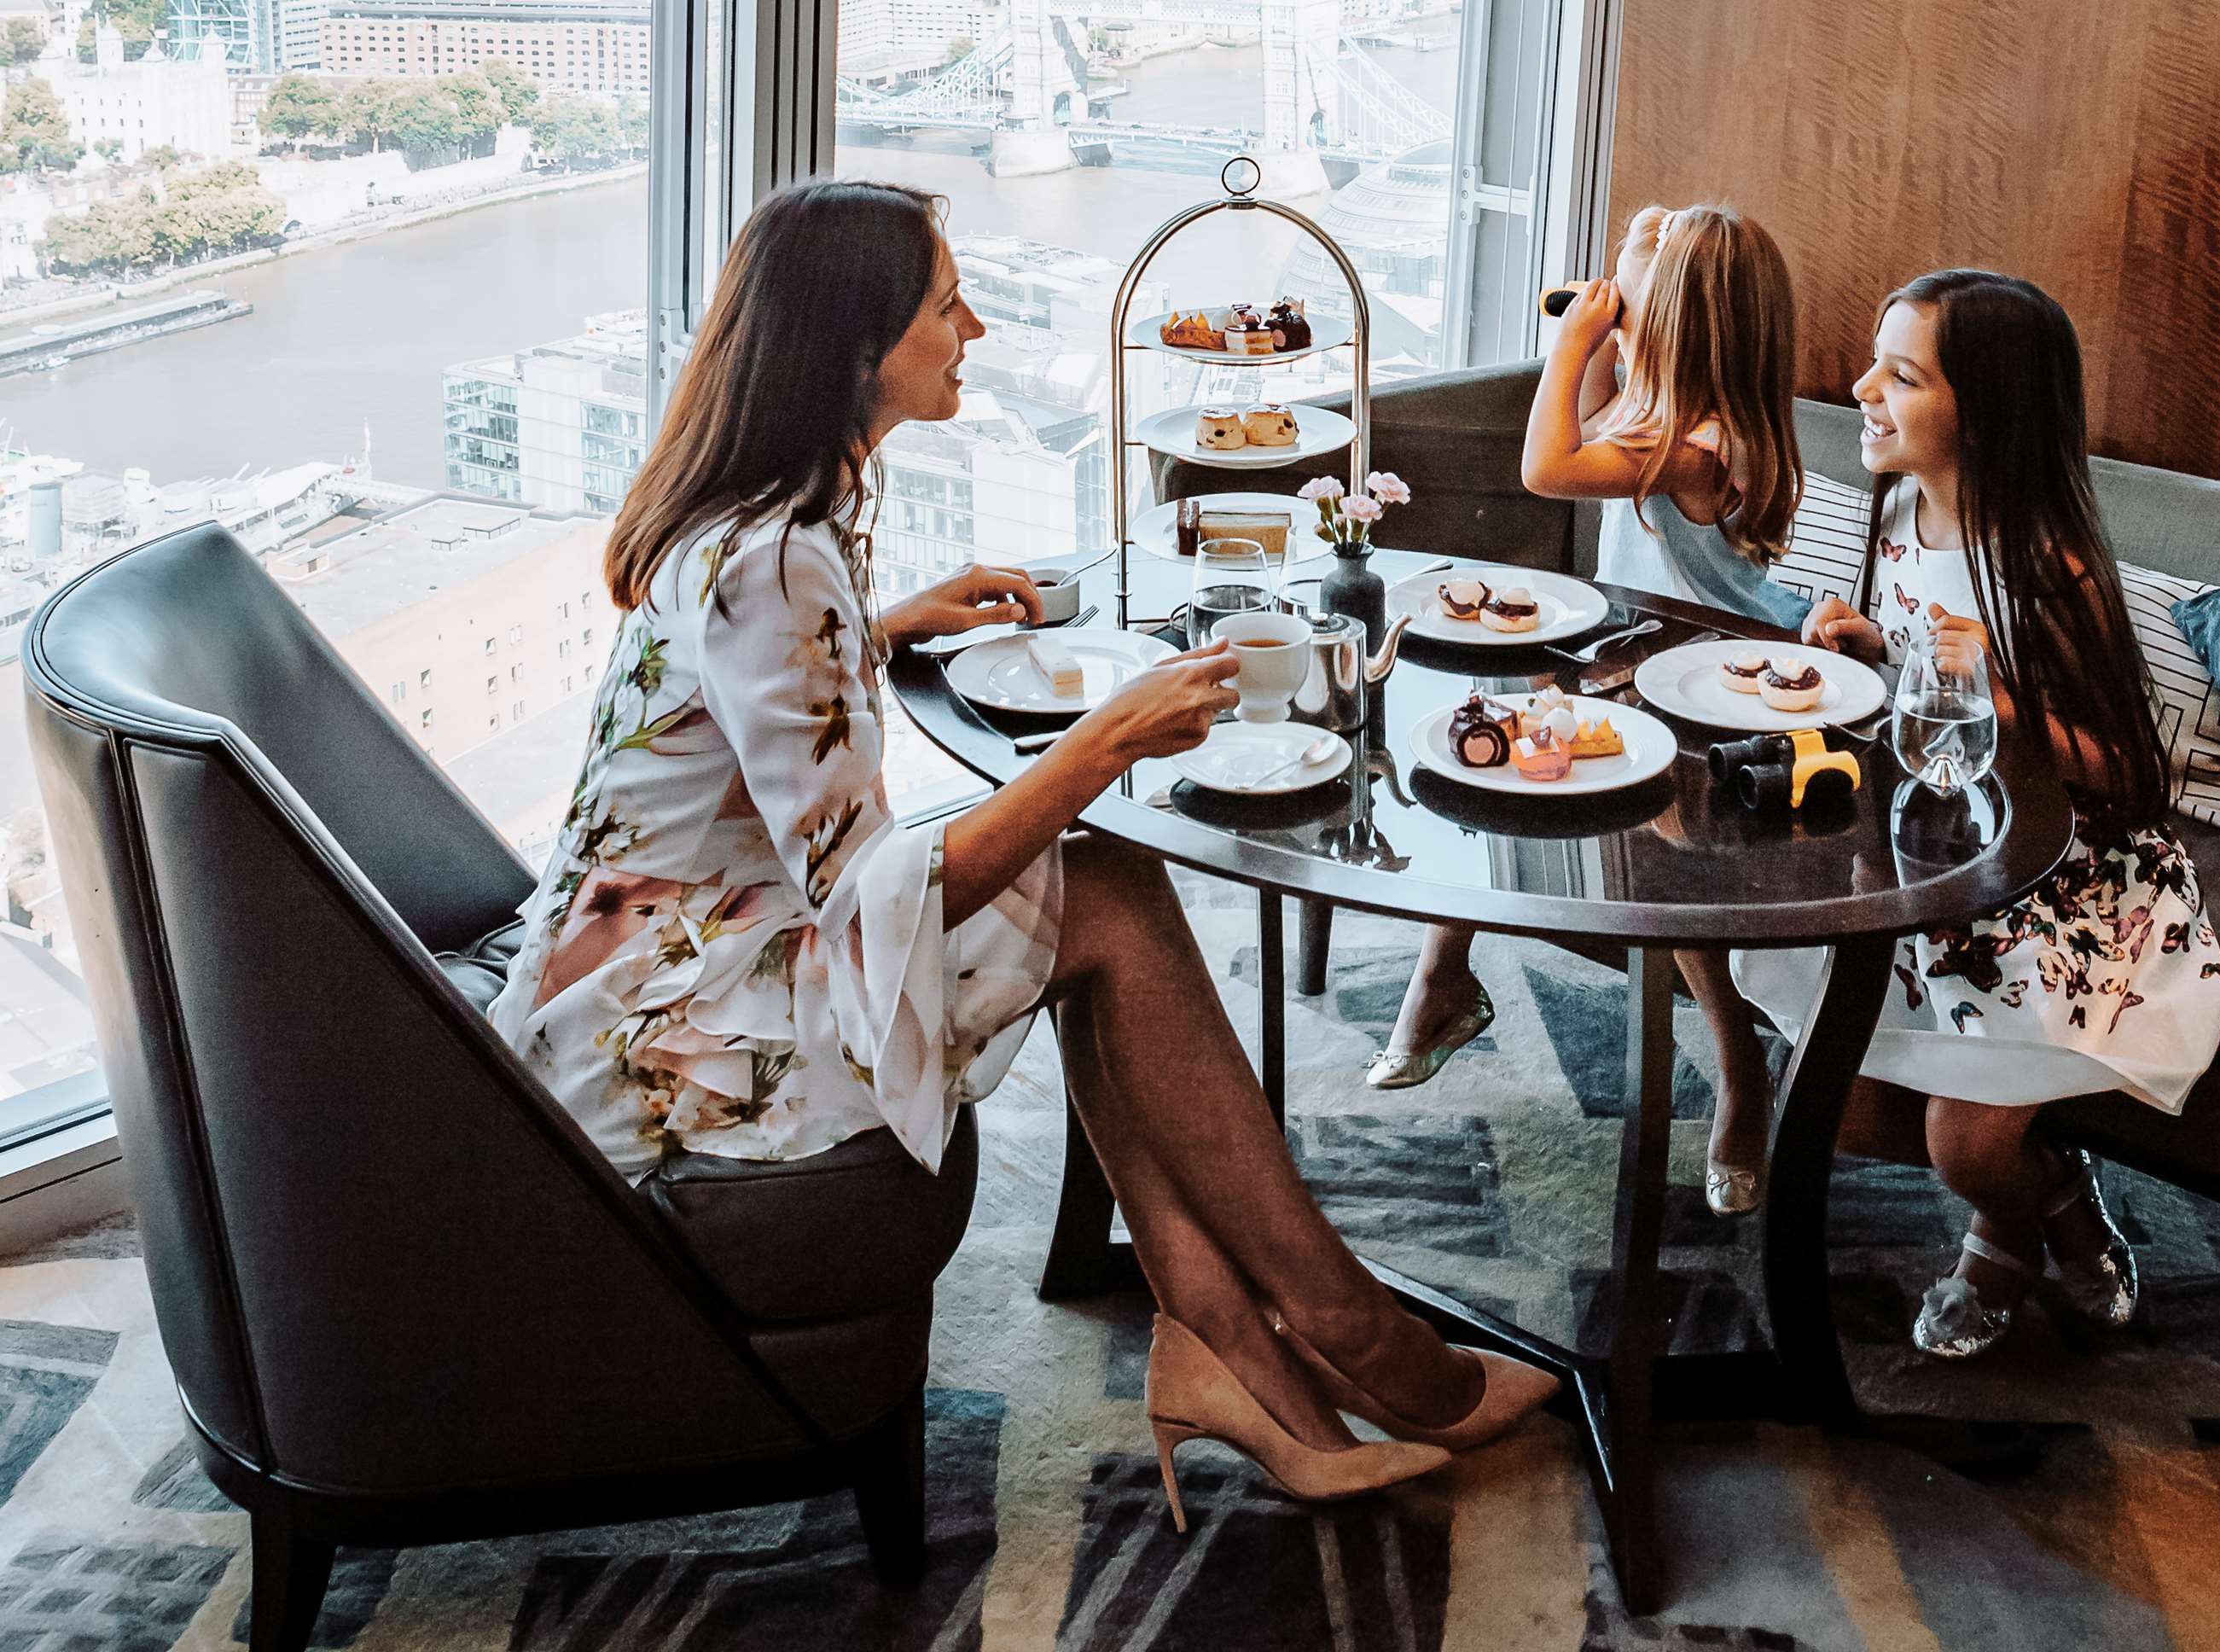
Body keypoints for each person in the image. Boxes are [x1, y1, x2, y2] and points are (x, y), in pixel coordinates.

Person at [482, 179, 1554, 1530]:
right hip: (674, 1023)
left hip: (659, 950)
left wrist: (878, 630)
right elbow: (866, 902)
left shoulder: (755, 522)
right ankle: (1349, 1338)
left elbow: (737, 725)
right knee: (1098, 882)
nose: (974, 326)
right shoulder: (776, 559)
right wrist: (1106, 738)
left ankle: (1237, 1341)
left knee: (1098, 891)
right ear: (854, 351)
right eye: (946, 306)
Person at [1732, 269, 2220, 1359]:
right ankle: (2048, 1202)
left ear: (1986, 412)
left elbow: (2131, 775)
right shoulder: (1896, 506)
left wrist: (2004, 709)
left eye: (1901, 375)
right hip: (1934, 842)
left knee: (1964, 1147)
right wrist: (1872, 650)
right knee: (1842, 1106)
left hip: (2058, 873)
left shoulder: (2045, 565)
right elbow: (1919, 667)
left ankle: (2010, 1225)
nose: (1862, 388)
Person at [1369, 204, 1806, 1221]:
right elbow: (1599, 419)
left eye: (1637, 307)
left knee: (1663, 878)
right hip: (1629, 672)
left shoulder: (1696, 447)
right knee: (1495, 767)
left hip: (1704, 702)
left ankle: (1740, 1073)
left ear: (1685, 331)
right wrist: (1609, 332)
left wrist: (1568, 346)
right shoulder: (1667, 419)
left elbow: (1545, 469)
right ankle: (1442, 979)